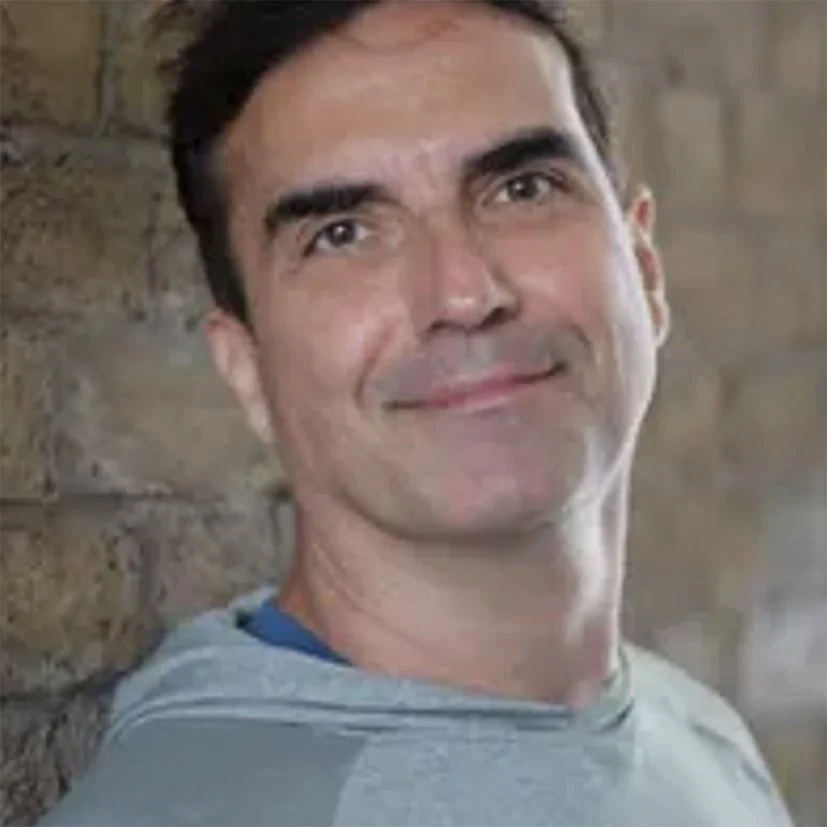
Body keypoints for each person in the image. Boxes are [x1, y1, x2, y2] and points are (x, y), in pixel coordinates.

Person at [41, 1, 793, 825]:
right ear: (246, 368)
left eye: (521, 187)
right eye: (341, 233)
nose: (463, 293)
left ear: (644, 272)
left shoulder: (706, 740)